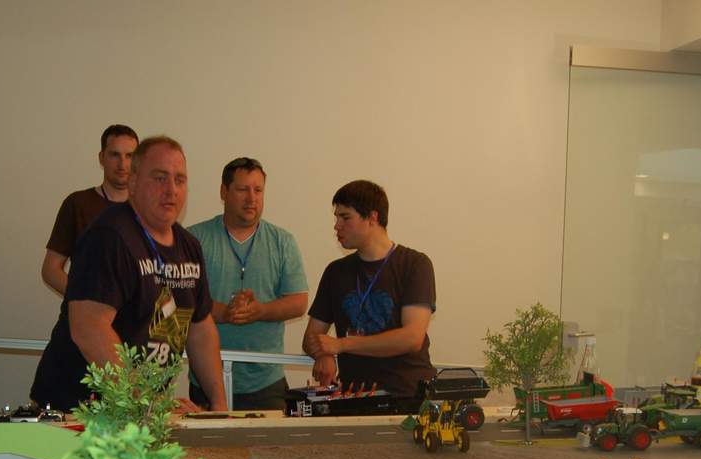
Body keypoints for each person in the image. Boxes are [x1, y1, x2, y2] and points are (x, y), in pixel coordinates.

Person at [30, 136, 227, 413]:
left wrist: (219, 406)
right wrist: (147, 402)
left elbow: (201, 329)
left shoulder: (189, 247)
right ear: (133, 182)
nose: (171, 190)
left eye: (180, 180)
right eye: (160, 178)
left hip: (141, 411)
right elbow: (89, 329)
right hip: (78, 410)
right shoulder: (108, 237)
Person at [186, 157, 307, 410]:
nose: (252, 199)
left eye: (258, 190)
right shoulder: (194, 239)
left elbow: (298, 302)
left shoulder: (282, 241)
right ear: (224, 191)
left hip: (266, 381)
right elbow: (181, 300)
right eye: (242, 189)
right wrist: (222, 312)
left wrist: (259, 311)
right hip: (206, 379)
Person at [303, 180, 435, 397]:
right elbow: (312, 336)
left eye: (345, 217)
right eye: (336, 218)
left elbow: (412, 337)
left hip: (407, 394)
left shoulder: (414, 264)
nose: (337, 226)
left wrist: (341, 345)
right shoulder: (335, 272)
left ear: (372, 218)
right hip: (354, 396)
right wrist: (323, 354)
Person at [41, 124, 139, 295]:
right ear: (101, 158)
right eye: (114, 155)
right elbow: (50, 270)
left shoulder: (148, 209)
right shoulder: (78, 204)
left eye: (129, 156)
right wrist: (85, 300)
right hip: (84, 311)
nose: (122, 164)